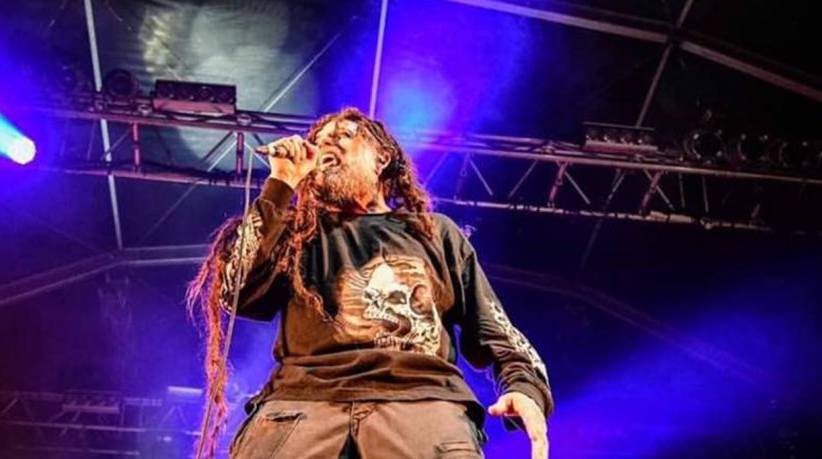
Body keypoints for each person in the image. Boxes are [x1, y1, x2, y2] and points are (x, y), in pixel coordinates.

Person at [188, 107, 553, 459]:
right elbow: (236, 291)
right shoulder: (297, 234)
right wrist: (280, 184)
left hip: (422, 406)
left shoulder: (435, 233)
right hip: (301, 407)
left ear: (382, 159)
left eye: (343, 135)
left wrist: (525, 388)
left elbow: (494, 328)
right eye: (320, 140)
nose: (327, 143)